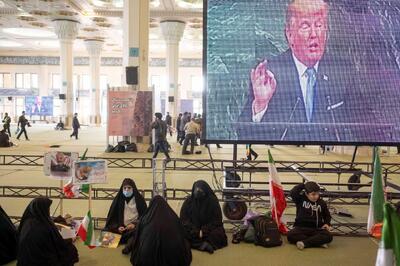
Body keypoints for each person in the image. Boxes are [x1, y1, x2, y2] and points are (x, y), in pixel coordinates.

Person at [239, 0, 369, 141]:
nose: (314, 34)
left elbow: (365, 125)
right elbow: (244, 134)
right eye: (305, 26)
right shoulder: (269, 74)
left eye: (319, 25)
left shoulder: (342, 70)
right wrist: (260, 104)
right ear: (289, 35)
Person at [129, 195, 192, 266]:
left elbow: (137, 237)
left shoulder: (145, 220)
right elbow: (183, 234)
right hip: (174, 258)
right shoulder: (174, 218)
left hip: (146, 260)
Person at [17, 197, 79, 266]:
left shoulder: (28, 223)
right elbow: (56, 244)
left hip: (25, 260)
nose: (49, 210)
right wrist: (70, 240)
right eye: (48, 208)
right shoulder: (43, 226)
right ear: (42, 209)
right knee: (70, 250)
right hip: (42, 260)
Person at [180, 180, 228, 254]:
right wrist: (195, 230)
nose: (198, 192)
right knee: (181, 232)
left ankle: (196, 244)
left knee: (219, 234)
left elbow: (217, 221)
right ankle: (202, 245)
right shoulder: (188, 202)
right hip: (193, 230)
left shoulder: (213, 202)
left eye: (201, 190)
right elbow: (184, 220)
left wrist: (203, 230)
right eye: (196, 190)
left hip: (208, 230)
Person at [104, 178, 147, 254]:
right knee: (105, 232)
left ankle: (128, 245)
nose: (127, 190)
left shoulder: (139, 200)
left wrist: (134, 224)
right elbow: (113, 217)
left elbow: (144, 216)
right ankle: (128, 241)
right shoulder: (119, 199)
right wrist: (119, 226)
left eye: (129, 188)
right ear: (122, 188)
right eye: (125, 188)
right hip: (122, 228)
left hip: (134, 227)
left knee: (140, 232)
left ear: (133, 188)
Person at [287, 182, 333, 250]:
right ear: (306, 194)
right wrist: (303, 185)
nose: (316, 196)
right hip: (301, 228)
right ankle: (317, 242)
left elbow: (327, 215)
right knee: (290, 235)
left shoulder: (322, 203)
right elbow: (293, 192)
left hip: (316, 229)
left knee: (329, 236)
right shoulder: (300, 200)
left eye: (317, 194)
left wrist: (327, 223)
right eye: (313, 194)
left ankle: (304, 243)